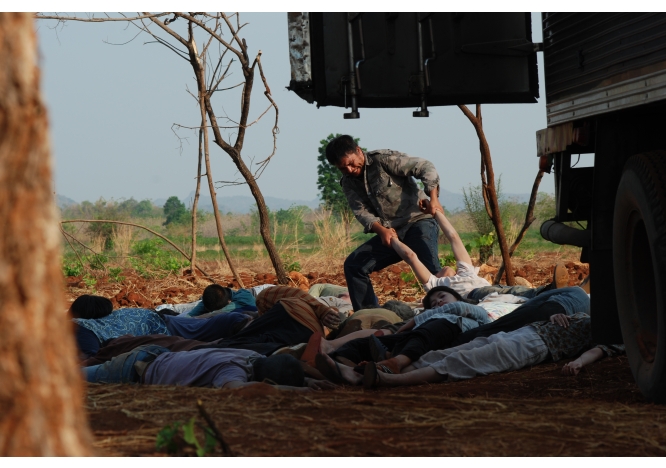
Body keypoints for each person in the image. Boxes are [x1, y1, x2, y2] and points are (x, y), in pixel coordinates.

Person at [320, 312, 623, 389]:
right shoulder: (596, 311)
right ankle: (357, 376)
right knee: (446, 354)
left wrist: (579, 362)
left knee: (467, 361)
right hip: (525, 331)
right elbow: (563, 316)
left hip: (538, 346)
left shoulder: (622, 332)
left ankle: (389, 381)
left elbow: (600, 350)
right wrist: (557, 316)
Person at [325, 135, 443, 311]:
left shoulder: (383, 160)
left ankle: (447, 308)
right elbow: (361, 212)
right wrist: (382, 231)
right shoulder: (348, 183)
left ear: (358, 151)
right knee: (354, 265)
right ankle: (370, 315)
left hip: (417, 221)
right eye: (343, 168)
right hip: (391, 233)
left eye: (351, 163)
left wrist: (433, 198)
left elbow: (425, 166)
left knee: (432, 271)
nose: (349, 169)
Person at [390, 201, 569, 300]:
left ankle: (560, 292)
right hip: (477, 296)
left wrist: (435, 212)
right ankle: (551, 290)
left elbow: (453, 237)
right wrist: (393, 239)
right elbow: (411, 257)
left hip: (490, 290)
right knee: (513, 293)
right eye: (441, 272)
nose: (445, 269)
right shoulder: (435, 285)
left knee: (513, 293)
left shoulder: (465, 271)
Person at [317, 285, 490, 376]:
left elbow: (457, 308)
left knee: (430, 329)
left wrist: (417, 319)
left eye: (442, 296)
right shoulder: (426, 318)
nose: (438, 302)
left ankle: (396, 363)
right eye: (433, 303)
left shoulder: (474, 310)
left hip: (444, 333)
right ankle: (350, 371)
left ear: (457, 297)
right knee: (361, 344)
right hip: (416, 337)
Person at [84, 345, 335, 392]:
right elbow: (237, 390)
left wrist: (308, 381)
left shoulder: (252, 356)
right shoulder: (232, 373)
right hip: (132, 369)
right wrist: (298, 390)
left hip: (153, 355)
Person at [71, 294, 248, 358]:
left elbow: (92, 356)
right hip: (156, 322)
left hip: (158, 324)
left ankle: (247, 322)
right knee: (204, 329)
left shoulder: (79, 327)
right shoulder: (88, 324)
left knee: (207, 329)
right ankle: (246, 323)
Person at [193, 285, 341, 356]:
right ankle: (282, 351)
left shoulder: (263, 296)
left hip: (290, 314)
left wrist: (322, 309)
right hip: (307, 336)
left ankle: (210, 349)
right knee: (264, 341)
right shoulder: (317, 322)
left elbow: (297, 292)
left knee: (245, 337)